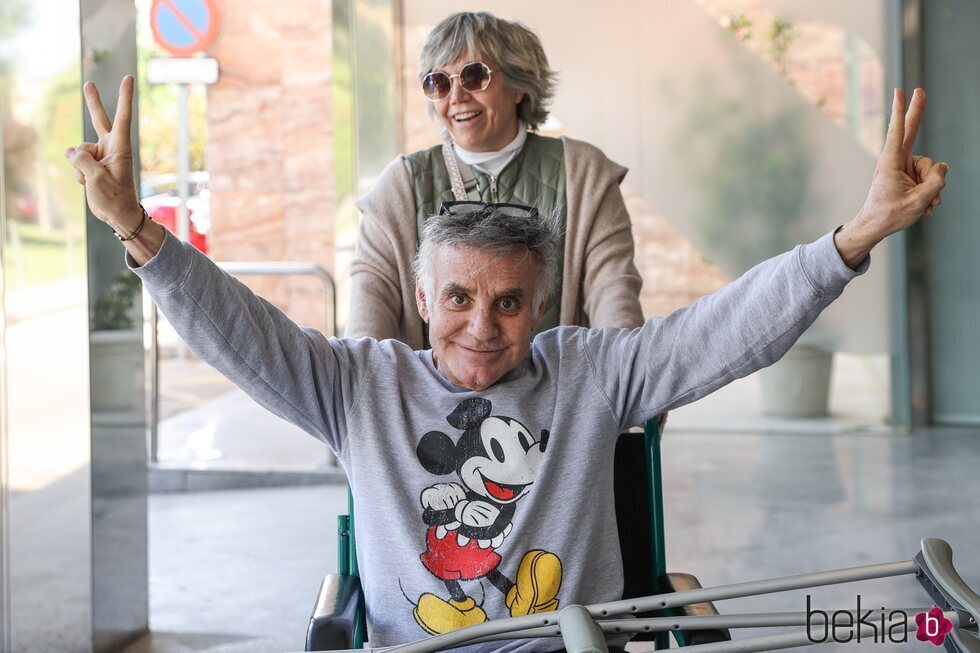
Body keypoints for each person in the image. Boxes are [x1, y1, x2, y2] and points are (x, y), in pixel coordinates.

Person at [68, 77, 946, 651]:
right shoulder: (359, 384)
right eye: (458, 299)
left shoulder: (593, 371)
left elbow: (726, 329)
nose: (482, 327)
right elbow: (240, 329)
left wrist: (854, 237)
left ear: (542, 302)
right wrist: (137, 231)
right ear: (422, 298)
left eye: (509, 302)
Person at [347, 11, 645, 348]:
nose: (456, 96)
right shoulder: (399, 186)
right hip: (436, 400)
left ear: (518, 85)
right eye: (439, 82)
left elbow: (617, 305)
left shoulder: (584, 175)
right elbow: (365, 332)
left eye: (474, 77)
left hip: (557, 396)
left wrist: (628, 385)